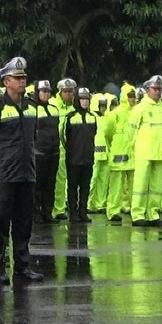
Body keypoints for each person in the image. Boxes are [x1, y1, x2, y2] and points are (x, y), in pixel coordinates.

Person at [0, 57, 43, 284]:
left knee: (24, 223)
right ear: (6, 81)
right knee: (0, 222)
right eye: (17, 78)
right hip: (5, 175)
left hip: (27, 173)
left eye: (24, 77)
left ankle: (22, 267)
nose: (22, 81)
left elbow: (32, 137)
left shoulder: (31, 107)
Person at [127, 75, 162, 227]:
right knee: (140, 185)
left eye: (159, 89)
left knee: (157, 187)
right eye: (155, 89)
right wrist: (134, 148)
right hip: (144, 153)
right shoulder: (140, 108)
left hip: (160, 152)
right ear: (147, 90)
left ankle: (153, 214)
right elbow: (130, 131)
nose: (158, 92)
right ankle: (137, 214)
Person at [62, 87, 98, 222]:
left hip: (88, 158)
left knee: (85, 186)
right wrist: (72, 151)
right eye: (82, 99)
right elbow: (64, 137)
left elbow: (94, 134)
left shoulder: (93, 118)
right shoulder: (70, 117)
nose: (85, 102)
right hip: (74, 159)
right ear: (77, 100)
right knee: (72, 187)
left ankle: (83, 212)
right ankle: (73, 213)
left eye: (87, 99)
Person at [105, 82, 137, 223]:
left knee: (135, 186)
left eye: (134, 96)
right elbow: (108, 132)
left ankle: (134, 210)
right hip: (119, 153)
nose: (132, 98)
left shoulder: (137, 112)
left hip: (133, 154)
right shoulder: (115, 113)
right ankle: (113, 211)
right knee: (116, 186)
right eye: (130, 96)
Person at [32, 80, 60, 224]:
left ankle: (47, 212)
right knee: (37, 185)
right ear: (37, 92)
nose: (46, 94)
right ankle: (36, 213)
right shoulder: (33, 109)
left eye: (48, 91)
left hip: (53, 152)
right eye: (43, 91)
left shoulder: (54, 109)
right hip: (38, 153)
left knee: (50, 185)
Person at [51, 78, 78, 220]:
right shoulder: (53, 105)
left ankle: (61, 208)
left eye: (70, 91)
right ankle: (54, 209)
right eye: (65, 92)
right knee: (56, 180)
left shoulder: (75, 108)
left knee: (68, 180)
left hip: (72, 149)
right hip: (56, 148)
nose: (68, 94)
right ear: (60, 92)